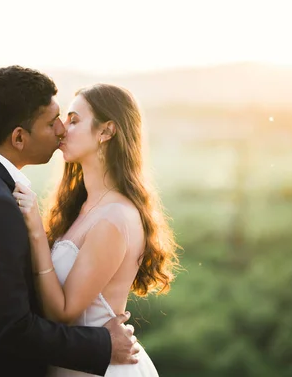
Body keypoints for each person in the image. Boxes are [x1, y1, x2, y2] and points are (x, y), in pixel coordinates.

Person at [0, 67, 140, 377]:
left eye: (70, 120)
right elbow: (11, 328)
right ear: (19, 137)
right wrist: (102, 345)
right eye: (54, 123)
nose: (61, 130)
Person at [13, 83, 181, 376]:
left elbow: (63, 312)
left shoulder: (114, 218)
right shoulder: (83, 207)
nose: (62, 128)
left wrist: (36, 230)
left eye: (74, 119)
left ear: (106, 131)